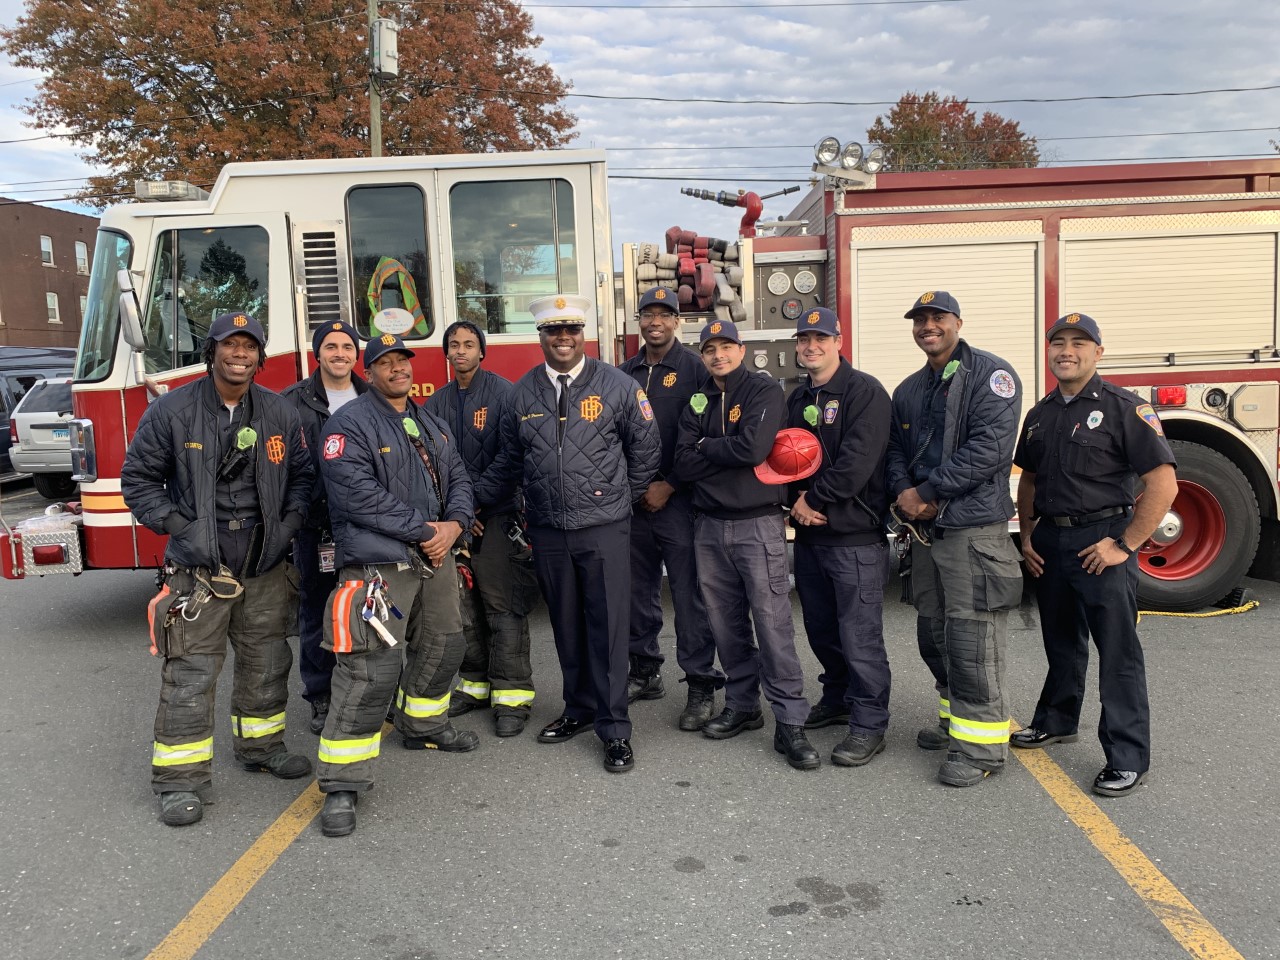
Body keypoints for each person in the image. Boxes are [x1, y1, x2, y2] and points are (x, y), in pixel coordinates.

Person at [122, 312, 315, 828]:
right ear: (212, 352)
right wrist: (182, 528)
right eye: (230, 345)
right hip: (199, 568)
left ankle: (260, 747)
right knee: (191, 672)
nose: (240, 354)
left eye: (249, 346)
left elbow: (301, 476)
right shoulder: (171, 411)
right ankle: (180, 781)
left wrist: (289, 524)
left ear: (260, 356)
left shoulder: (279, 412)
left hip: (263, 561)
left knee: (267, 660)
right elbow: (138, 481)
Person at [313, 333, 476, 837]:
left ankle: (423, 725)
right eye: (386, 362)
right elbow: (356, 496)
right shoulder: (349, 425)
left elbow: (458, 478)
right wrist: (426, 531)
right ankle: (342, 783)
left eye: (403, 359)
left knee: (444, 643)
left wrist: (455, 525)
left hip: (436, 557)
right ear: (371, 370)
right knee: (369, 669)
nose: (398, 369)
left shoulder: (427, 419)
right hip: (380, 567)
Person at [1012, 313, 1177, 797]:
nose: (1067, 350)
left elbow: (1162, 483)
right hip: (1052, 542)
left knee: (1117, 653)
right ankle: (1058, 720)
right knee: (1061, 641)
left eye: (1079, 343)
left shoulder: (1126, 408)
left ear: (1098, 353)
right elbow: (1032, 479)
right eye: (1058, 342)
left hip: (1103, 541)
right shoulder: (1041, 414)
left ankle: (1127, 757)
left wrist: (1124, 545)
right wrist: (1026, 537)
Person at [496, 293, 660, 774]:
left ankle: (614, 729)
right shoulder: (521, 392)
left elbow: (646, 449)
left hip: (604, 529)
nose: (562, 339)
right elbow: (511, 458)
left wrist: (615, 502)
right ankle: (579, 708)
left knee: (608, 629)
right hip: (548, 529)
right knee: (566, 625)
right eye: (552, 331)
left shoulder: (618, 385)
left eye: (570, 330)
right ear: (541, 337)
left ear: (582, 334)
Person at [885, 291, 1025, 788]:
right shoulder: (910, 388)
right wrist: (904, 492)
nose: (928, 326)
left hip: (971, 530)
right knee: (934, 634)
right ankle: (954, 723)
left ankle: (982, 748)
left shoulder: (991, 376)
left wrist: (927, 491)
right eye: (920, 319)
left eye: (937, 317)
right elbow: (896, 449)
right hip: (927, 533)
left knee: (973, 641)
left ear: (957, 322)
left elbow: (990, 449)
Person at [674, 319, 819, 771]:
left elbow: (754, 450)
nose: (718, 355)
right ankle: (742, 706)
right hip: (709, 527)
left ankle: (790, 720)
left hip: (758, 526)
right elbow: (680, 462)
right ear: (702, 356)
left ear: (741, 350)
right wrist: (721, 448)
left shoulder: (763, 391)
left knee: (773, 625)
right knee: (725, 625)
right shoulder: (698, 397)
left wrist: (707, 446)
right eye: (709, 349)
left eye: (726, 347)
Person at [785, 307, 893, 767]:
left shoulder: (864, 391)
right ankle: (838, 697)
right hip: (811, 539)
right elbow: (785, 456)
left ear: (839, 340)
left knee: (859, 635)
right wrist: (793, 502)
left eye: (821, 338)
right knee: (822, 629)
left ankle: (869, 724)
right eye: (804, 339)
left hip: (855, 538)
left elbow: (857, 461)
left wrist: (815, 501)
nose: (812, 345)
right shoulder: (796, 398)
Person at [427, 320, 541, 738]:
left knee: (502, 605)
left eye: (469, 344)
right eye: (453, 345)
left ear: (482, 351)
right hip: (455, 523)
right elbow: (431, 465)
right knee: (463, 609)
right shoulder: (434, 404)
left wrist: (471, 503)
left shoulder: (505, 395)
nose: (460, 351)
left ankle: (512, 695)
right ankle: (475, 685)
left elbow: (513, 456)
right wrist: (455, 512)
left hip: (495, 515)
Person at [617, 288, 725, 729]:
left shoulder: (696, 370)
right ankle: (645, 671)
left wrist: (672, 485)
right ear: (639, 321)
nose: (655, 322)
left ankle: (700, 684)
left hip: (680, 504)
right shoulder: (622, 374)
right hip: (633, 505)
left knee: (689, 596)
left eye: (665, 314)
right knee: (636, 592)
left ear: (678, 322)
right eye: (648, 314)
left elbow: (706, 437)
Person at [282, 321, 367, 735]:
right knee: (316, 612)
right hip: (317, 528)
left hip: (366, 526)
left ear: (356, 354)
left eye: (347, 346)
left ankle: (368, 692)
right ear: (318, 354)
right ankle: (320, 695)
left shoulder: (372, 397)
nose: (339, 353)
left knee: (369, 611)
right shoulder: (291, 403)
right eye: (330, 346)